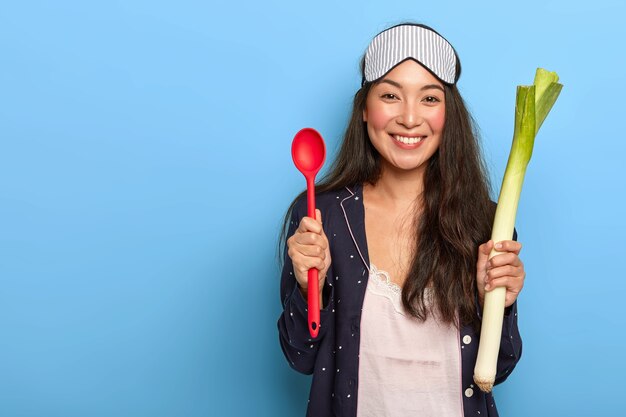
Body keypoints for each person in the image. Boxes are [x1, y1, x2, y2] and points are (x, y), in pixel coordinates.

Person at [277, 23, 525, 417]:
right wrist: (314, 284)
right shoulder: (320, 218)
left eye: (429, 98)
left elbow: (499, 367)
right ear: (364, 107)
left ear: (449, 114)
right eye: (390, 95)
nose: (410, 118)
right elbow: (299, 356)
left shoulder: (487, 223)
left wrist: (496, 303)